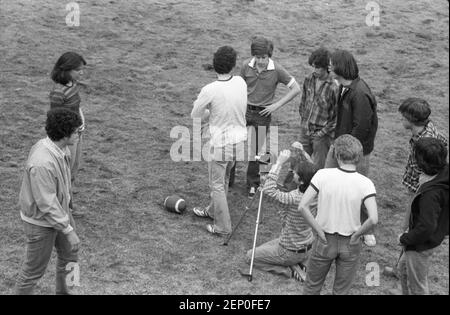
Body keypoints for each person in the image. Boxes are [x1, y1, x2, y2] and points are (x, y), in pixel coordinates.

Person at [298, 134, 378, 295]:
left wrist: (318, 230)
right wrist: (357, 235)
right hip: (350, 242)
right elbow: (373, 218)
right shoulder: (366, 183)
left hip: (324, 239)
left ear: (336, 154)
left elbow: (303, 206)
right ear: (359, 157)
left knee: (312, 287)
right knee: (341, 291)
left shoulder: (322, 175)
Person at [16, 108, 83, 295]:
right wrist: (68, 230)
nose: (79, 134)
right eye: (77, 131)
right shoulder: (42, 162)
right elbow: (46, 203)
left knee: (71, 256)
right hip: (41, 223)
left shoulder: (61, 149)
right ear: (64, 132)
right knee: (32, 272)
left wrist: (67, 210)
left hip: (60, 215)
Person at [191, 46, 247, 235]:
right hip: (239, 141)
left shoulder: (210, 89)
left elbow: (196, 114)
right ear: (233, 66)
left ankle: (223, 227)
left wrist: (209, 112)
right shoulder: (241, 82)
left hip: (221, 144)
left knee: (217, 184)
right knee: (222, 180)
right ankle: (212, 210)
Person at [235, 36, 301, 197]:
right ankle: (227, 179)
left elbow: (296, 88)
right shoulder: (245, 66)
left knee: (256, 151)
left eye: (264, 57)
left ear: (269, 56)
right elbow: (238, 86)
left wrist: (276, 105)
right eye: (258, 57)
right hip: (243, 111)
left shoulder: (277, 70)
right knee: (233, 144)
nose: (261, 61)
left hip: (263, 114)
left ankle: (252, 184)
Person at [325, 49, 378, 247]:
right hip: (340, 145)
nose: (329, 67)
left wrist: (346, 152)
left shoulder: (360, 94)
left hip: (356, 152)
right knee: (327, 179)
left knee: (361, 189)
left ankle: (367, 229)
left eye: (332, 64)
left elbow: (362, 127)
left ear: (341, 67)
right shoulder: (343, 86)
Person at [245, 149, 318, 281]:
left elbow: (269, 191)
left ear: (301, 181)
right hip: (305, 246)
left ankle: (286, 270)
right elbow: (314, 171)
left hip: (289, 250)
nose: (293, 173)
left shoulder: (295, 198)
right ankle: (295, 263)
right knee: (262, 249)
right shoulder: (316, 193)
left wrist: (278, 163)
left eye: (295, 173)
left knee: (250, 256)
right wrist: (303, 152)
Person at [398, 137, 449, 295]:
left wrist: (404, 238)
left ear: (421, 162)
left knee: (418, 286)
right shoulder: (444, 173)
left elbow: (426, 227)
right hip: (425, 241)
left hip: (420, 246)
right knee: (403, 270)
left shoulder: (430, 195)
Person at [398, 98, 448, 231]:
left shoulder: (424, 143)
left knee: (412, 220)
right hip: (418, 183)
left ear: (411, 120)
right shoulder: (427, 129)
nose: (401, 118)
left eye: (403, 116)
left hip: (420, 188)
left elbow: (429, 170)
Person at [49, 51, 87, 218]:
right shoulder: (59, 92)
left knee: (73, 170)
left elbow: (77, 106)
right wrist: (68, 137)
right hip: (68, 138)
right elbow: (56, 118)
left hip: (77, 134)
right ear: (67, 69)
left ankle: (68, 204)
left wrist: (82, 120)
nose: (81, 73)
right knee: (65, 173)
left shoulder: (73, 85)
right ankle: (64, 208)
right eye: (78, 70)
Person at [298, 47, 339, 169]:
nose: (314, 70)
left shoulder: (334, 87)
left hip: (321, 136)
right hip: (305, 130)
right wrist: (304, 121)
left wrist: (321, 133)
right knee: (297, 163)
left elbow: (336, 117)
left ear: (326, 67)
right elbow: (303, 101)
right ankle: (291, 188)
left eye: (317, 67)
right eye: (313, 66)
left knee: (318, 168)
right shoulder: (308, 79)